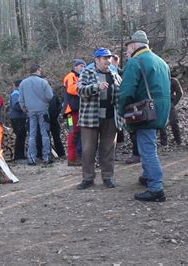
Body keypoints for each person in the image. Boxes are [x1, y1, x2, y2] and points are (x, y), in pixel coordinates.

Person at [119, 30, 171, 202]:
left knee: (147, 149)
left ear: (134, 45)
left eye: (128, 47)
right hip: (161, 111)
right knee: (148, 145)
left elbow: (126, 91)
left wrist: (121, 111)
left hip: (145, 112)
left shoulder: (135, 62)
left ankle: (156, 188)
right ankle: (147, 176)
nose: (127, 51)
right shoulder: (162, 61)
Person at [76, 48, 123, 190]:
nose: (108, 61)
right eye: (104, 58)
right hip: (90, 118)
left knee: (108, 149)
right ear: (97, 60)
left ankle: (107, 177)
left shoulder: (114, 74)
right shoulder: (87, 72)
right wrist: (97, 87)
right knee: (88, 150)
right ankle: (88, 178)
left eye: (109, 58)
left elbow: (120, 95)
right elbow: (80, 90)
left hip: (110, 118)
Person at [19, 64, 54, 166]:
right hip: (42, 110)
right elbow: (50, 96)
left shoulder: (23, 83)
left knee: (32, 134)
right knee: (45, 133)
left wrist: (25, 109)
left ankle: (32, 158)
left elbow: (21, 99)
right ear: (38, 70)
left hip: (30, 111)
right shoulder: (43, 82)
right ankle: (46, 157)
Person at [62, 59, 85, 166]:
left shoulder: (78, 77)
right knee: (73, 134)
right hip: (70, 111)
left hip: (77, 110)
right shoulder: (70, 76)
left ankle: (78, 156)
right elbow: (71, 89)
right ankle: (71, 158)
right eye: (81, 66)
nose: (82, 68)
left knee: (79, 134)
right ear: (75, 67)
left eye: (84, 66)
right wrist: (83, 87)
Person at [159, 77, 183, 146]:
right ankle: (163, 143)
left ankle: (178, 141)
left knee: (174, 122)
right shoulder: (157, 80)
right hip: (160, 104)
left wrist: (174, 103)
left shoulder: (173, 81)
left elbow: (179, 92)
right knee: (162, 124)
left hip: (169, 103)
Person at [9, 79, 27, 161]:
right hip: (17, 118)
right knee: (20, 136)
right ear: (20, 85)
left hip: (20, 117)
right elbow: (16, 105)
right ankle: (18, 156)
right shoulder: (15, 94)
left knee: (22, 136)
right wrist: (24, 108)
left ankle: (21, 155)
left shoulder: (19, 93)